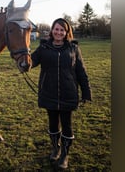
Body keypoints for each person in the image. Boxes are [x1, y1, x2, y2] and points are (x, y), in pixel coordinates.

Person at [31, 18, 92, 169]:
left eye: (61, 30)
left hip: (68, 92)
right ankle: (55, 148)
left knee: (67, 124)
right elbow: (30, 62)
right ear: (52, 31)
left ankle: (64, 154)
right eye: (56, 29)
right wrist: (21, 59)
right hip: (48, 91)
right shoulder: (43, 48)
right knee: (52, 123)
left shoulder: (73, 48)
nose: (58, 32)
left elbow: (81, 71)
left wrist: (86, 92)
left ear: (66, 32)